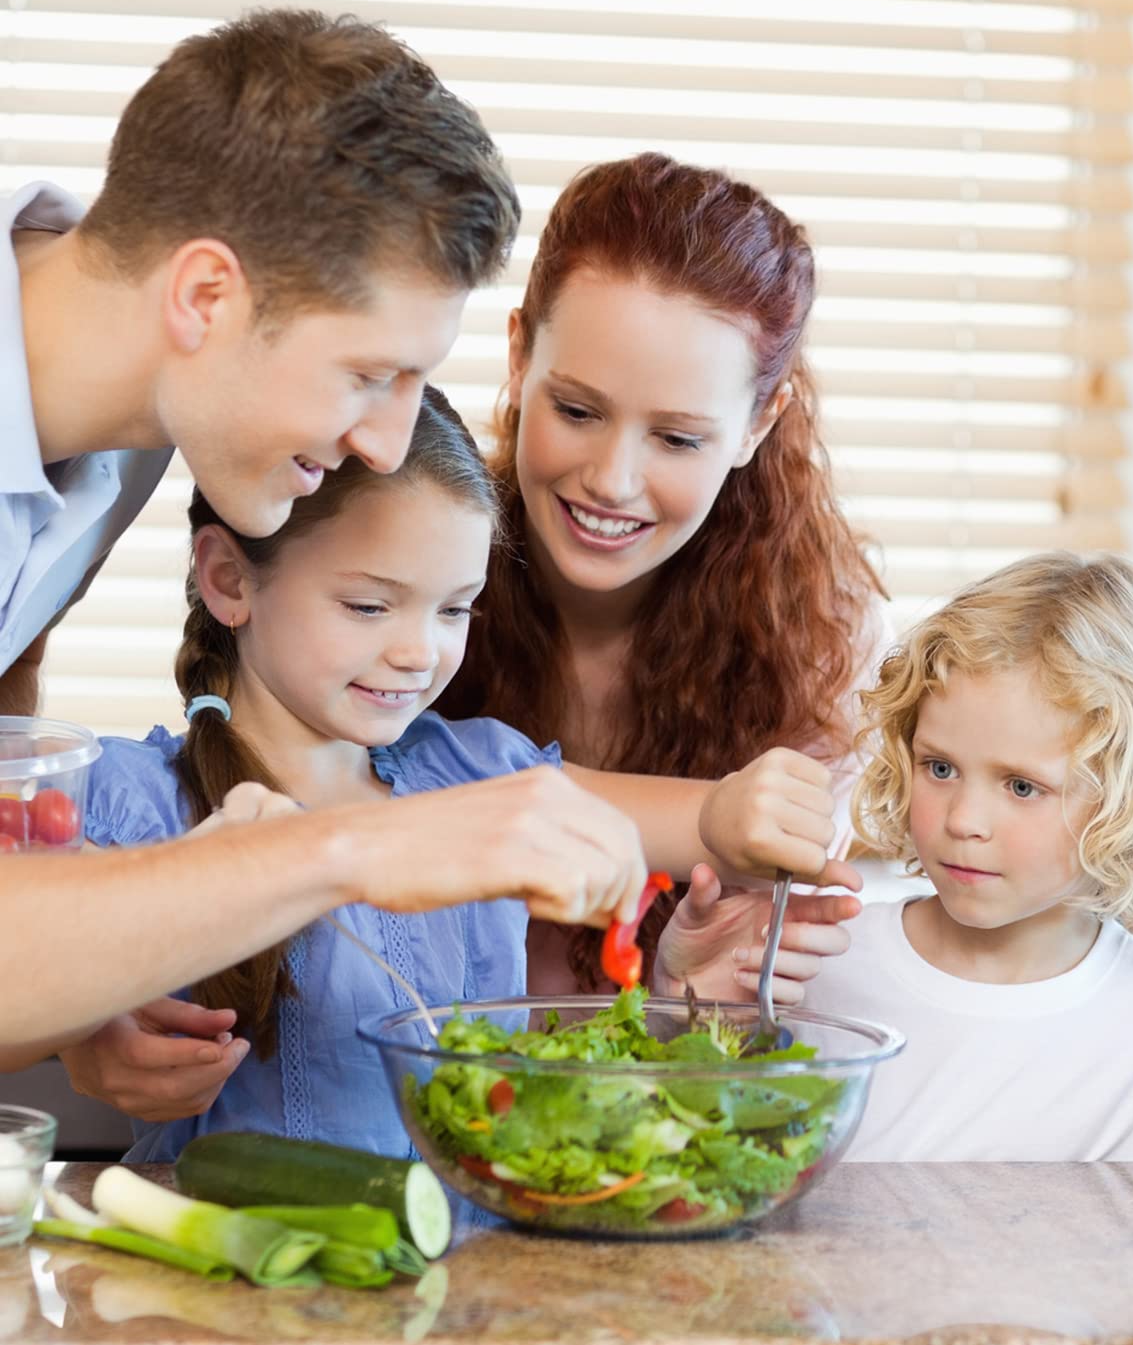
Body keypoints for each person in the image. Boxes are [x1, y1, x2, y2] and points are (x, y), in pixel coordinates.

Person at [0, 7, 626, 1063]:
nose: (388, 444)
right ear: (206, 294)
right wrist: (346, 843)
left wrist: (80, 999)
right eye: (369, 376)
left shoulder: (142, 415)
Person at [65, 388, 846, 1153]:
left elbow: (700, 822)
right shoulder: (130, 801)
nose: (420, 653)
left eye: (454, 610)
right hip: (235, 1276)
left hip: (480, 1266)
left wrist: (743, 815)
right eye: (371, 606)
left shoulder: (477, 772)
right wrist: (87, 1028)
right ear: (230, 580)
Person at [438, 152, 891, 991]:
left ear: (761, 421)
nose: (611, 479)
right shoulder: (405, 559)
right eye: (576, 410)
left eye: (678, 438)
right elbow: (367, 815)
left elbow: (724, 1036)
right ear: (517, 354)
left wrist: (684, 1006)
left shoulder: (826, 640)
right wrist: (704, 820)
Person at [667, 551, 1133, 1162]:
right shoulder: (821, 960)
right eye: (939, 768)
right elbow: (699, 1155)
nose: (963, 820)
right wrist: (679, 1011)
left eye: (1022, 787)